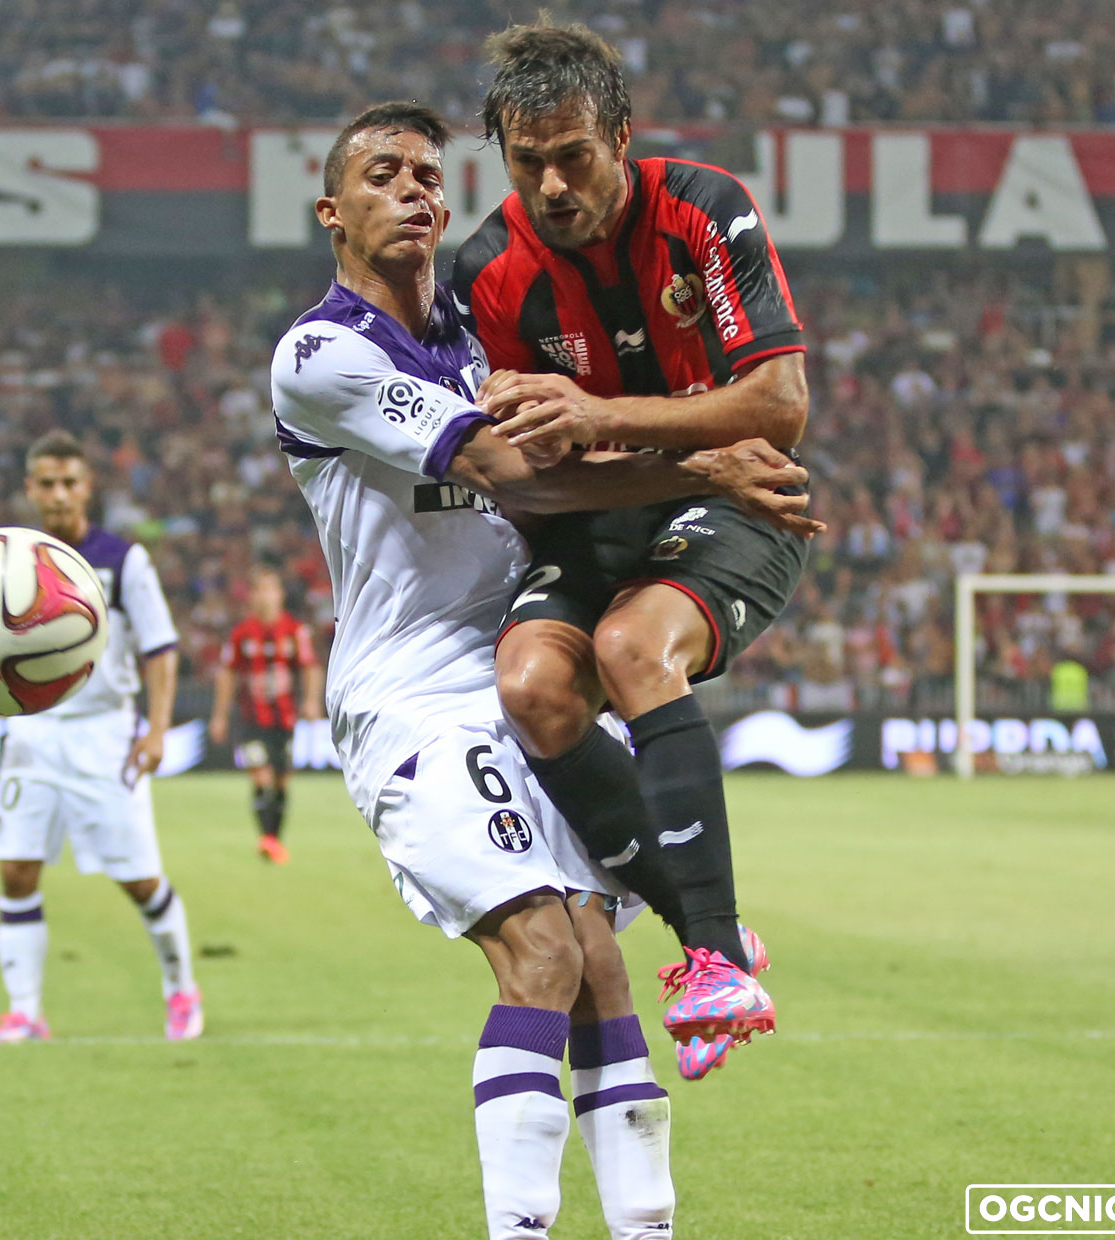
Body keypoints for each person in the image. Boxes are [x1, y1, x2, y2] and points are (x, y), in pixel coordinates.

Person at [272, 101, 817, 1240]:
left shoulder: (481, 334)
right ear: (332, 211)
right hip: (413, 697)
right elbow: (513, 474)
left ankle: (645, 1227)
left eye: (430, 176)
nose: (415, 191)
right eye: (384, 175)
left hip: (519, 671)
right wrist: (704, 467)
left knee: (600, 965)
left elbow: (573, 452)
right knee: (542, 948)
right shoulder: (321, 355)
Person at [453, 21, 814, 1079]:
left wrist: (599, 413)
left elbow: (778, 405)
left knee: (629, 648)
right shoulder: (489, 269)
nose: (553, 185)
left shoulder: (703, 208)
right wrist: (665, 448)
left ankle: (714, 958)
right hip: (624, 504)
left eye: (574, 155)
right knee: (531, 688)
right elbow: (533, 465)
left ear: (620, 136)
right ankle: (713, 934)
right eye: (528, 162)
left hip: (745, 501)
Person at [0, 431, 203, 1044]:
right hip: (33, 734)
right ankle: (25, 1012)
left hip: (104, 734)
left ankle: (181, 990)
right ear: (30, 489)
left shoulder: (123, 561)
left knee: (139, 880)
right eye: (47, 483)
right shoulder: (8, 565)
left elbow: (160, 648)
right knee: (16, 872)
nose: (58, 494)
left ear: (87, 487)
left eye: (69, 482)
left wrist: (156, 729)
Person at [208, 565, 324, 863]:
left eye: (270, 589)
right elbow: (227, 674)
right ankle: (267, 839)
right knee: (260, 775)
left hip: (285, 719)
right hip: (251, 719)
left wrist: (311, 701)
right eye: (259, 590)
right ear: (251, 596)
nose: (265, 596)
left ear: (280, 594)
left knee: (282, 780)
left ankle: (273, 838)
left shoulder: (294, 631)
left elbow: (310, 668)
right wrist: (220, 715)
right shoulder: (241, 634)